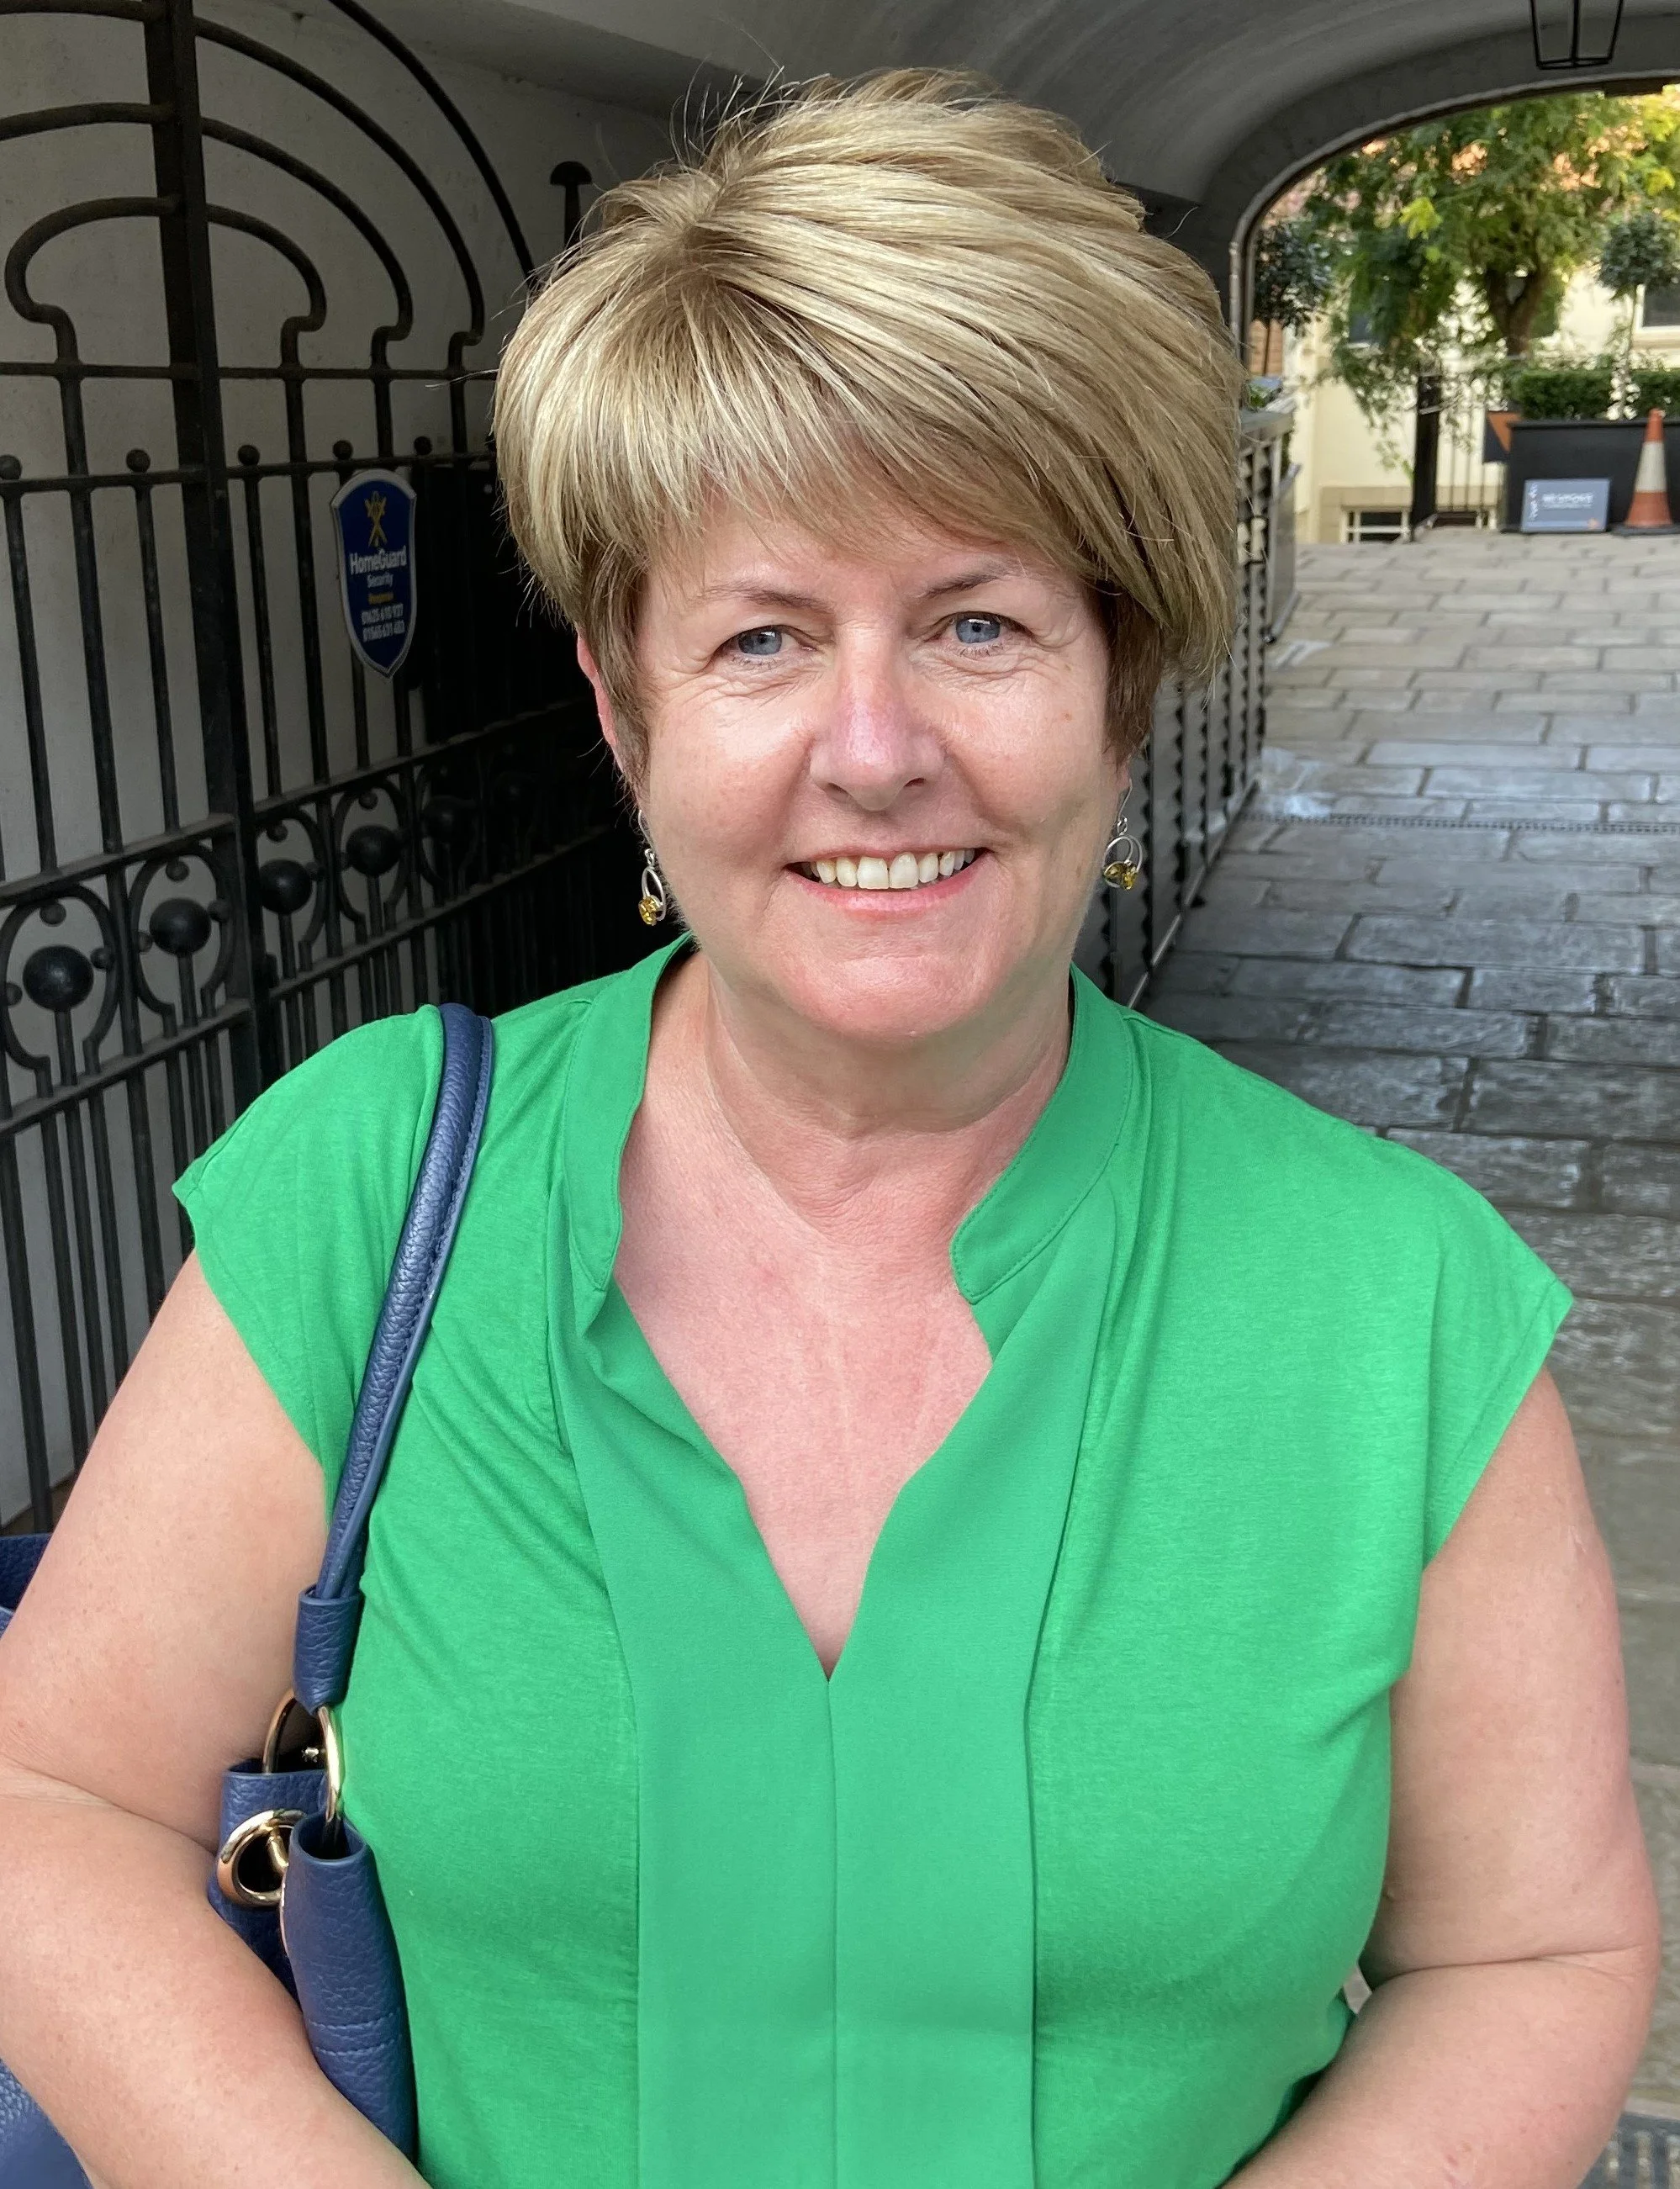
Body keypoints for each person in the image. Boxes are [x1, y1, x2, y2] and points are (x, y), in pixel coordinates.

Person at [0, 70, 1657, 2189]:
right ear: (625, 707)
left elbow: (1526, 1951)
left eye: (978, 620)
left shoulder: (1392, 1303)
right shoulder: (367, 1188)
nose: (875, 750)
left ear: (1124, 673)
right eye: (764, 636)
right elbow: (55, 1804)